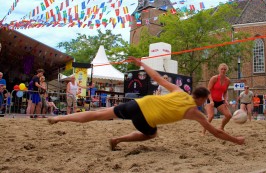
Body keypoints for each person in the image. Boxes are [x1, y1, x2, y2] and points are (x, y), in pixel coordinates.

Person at [48, 57, 245, 150]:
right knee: (152, 134)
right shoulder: (195, 112)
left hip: (138, 104)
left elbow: (158, 78)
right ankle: (117, 140)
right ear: (201, 99)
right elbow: (216, 132)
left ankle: (60, 117)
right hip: (144, 118)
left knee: (98, 114)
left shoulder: (178, 90)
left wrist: (142, 64)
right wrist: (236, 140)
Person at [202, 63, 232, 135]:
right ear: (219, 70)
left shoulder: (228, 81)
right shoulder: (214, 78)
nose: (223, 70)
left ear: (226, 70)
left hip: (219, 101)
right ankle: (203, 131)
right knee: (211, 116)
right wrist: (211, 101)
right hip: (210, 99)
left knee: (229, 115)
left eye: (224, 69)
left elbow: (225, 92)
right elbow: (208, 90)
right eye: (222, 69)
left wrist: (225, 100)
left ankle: (221, 127)